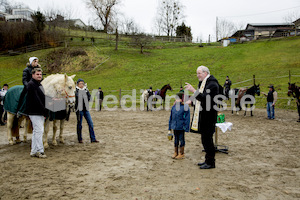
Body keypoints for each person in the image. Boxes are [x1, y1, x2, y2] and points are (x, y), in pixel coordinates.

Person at [185, 65, 219, 169]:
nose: (197, 75)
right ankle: (207, 160)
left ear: (205, 73)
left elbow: (205, 98)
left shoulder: (213, 84)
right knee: (205, 139)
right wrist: (192, 100)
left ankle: (211, 162)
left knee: (208, 140)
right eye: (197, 73)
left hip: (209, 116)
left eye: (199, 73)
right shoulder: (203, 83)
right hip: (203, 115)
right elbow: (199, 97)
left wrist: (193, 90)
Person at [26, 68, 47, 158]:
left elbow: (43, 97)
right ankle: (40, 151)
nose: (39, 76)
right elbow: (36, 99)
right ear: (33, 75)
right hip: (35, 111)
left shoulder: (39, 84)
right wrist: (44, 111)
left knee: (36, 131)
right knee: (39, 131)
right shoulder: (31, 85)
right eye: (37, 74)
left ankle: (33, 151)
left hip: (38, 111)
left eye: (40, 74)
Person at [75, 78, 99, 143]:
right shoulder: (76, 91)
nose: (81, 85)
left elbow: (89, 97)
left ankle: (93, 138)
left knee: (91, 123)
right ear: (77, 84)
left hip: (86, 109)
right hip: (79, 109)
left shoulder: (86, 90)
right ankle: (80, 138)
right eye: (80, 84)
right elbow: (77, 98)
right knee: (79, 124)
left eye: (82, 83)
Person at [168, 92, 190, 159]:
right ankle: (175, 152)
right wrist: (170, 127)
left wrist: (186, 127)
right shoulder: (174, 107)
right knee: (175, 139)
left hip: (181, 126)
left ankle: (181, 153)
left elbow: (187, 118)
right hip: (175, 126)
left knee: (181, 139)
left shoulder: (185, 107)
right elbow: (171, 117)